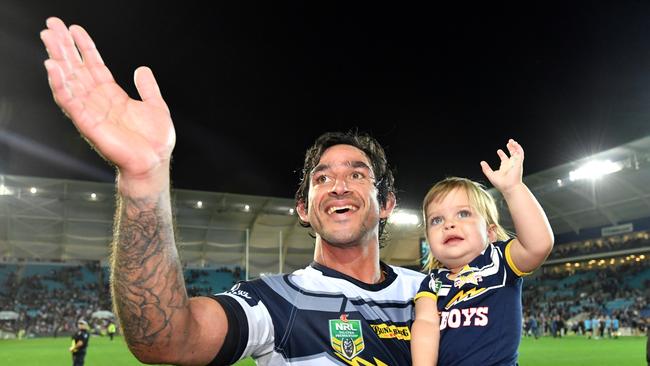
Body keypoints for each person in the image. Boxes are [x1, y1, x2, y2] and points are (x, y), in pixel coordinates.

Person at [40, 17, 424, 365]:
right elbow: (167, 341)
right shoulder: (276, 303)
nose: (338, 186)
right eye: (321, 178)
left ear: (387, 202)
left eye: (357, 175)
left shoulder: (432, 293)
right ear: (304, 209)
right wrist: (144, 177)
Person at [411, 139, 554, 366]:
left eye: (463, 214)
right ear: (429, 240)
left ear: (490, 233)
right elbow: (426, 324)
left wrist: (513, 188)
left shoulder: (499, 261)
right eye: (437, 220)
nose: (449, 224)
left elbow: (538, 245)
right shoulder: (431, 283)